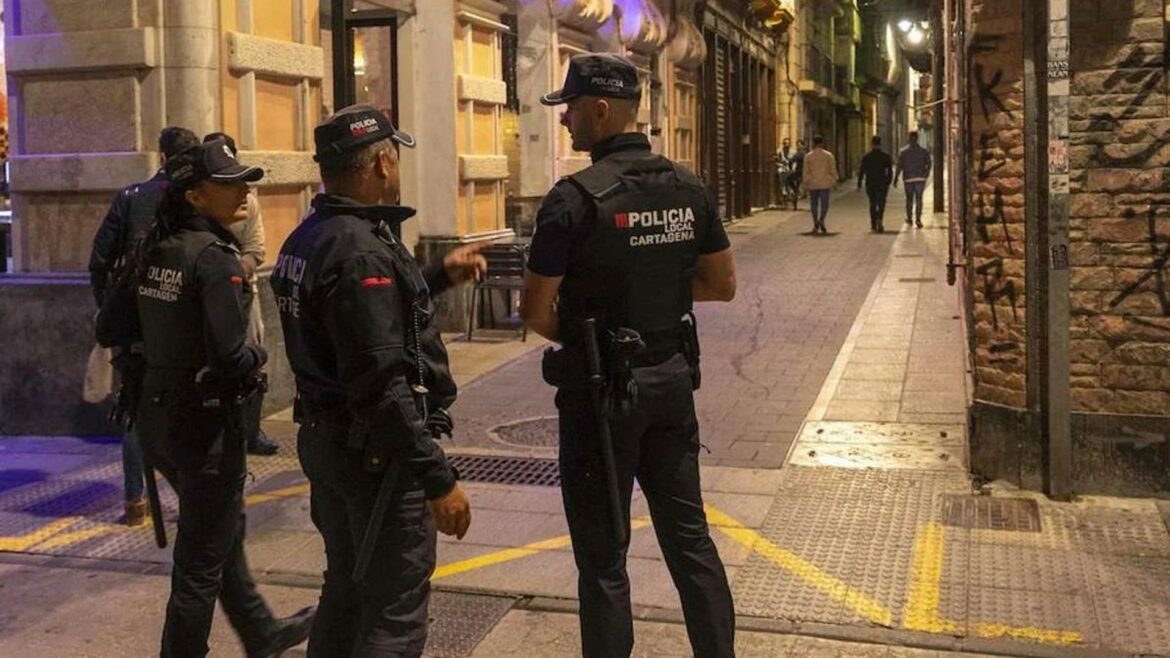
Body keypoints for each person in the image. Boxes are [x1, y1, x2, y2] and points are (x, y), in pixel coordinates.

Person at [521, 53, 738, 658]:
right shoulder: (688, 185)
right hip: (671, 382)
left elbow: (535, 313)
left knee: (603, 559)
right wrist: (657, 295)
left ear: (599, 110)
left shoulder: (573, 200)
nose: (564, 121)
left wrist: (599, 324)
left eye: (569, 108)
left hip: (601, 395)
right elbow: (721, 284)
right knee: (690, 539)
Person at [271, 105, 484, 657]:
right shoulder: (361, 247)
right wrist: (437, 479)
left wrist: (436, 277)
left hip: (330, 443)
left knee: (345, 589)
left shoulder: (309, 237)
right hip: (375, 461)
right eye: (397, 158)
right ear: (384, 162)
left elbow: (362, 327)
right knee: (393, 611)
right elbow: (380, 380)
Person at [132, 139, 315, 657]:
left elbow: (111, 325)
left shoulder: (154, 247)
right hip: (207, 428)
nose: (245, 191)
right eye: (231, 183)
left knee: (217, 532)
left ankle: (262, 633)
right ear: (195, 196)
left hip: (158, 418)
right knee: (198, 565)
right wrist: (257, 359)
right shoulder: (216, 259)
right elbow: (231, 351)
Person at [89, 126, 199, 526]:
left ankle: (135, 501)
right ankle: (191, 496)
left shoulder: (132, 198)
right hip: (179, 321)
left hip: (134, 322)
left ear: (161, 155)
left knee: (135, 408)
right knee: (186, 408)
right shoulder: (196, 198)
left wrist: (111, 310)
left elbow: (99, 260)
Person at [203, 132, 279, 456]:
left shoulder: (249, 204)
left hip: (244, 294)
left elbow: (256, 249)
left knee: (251, 362)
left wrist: (233, 274)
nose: (242, 192)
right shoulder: (193, 229)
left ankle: (250, 429)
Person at [894, 130, 932, 228]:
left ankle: (910, 218)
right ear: (917, 138)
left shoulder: (903, 152)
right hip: (920, 178)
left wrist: (896, 178)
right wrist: (926, 174)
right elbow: (929, 163)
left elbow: (899, 166)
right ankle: (918, 219)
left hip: (908, 178)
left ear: (909, 138)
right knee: (919, 199)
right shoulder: (924, 151)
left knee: (909, 199)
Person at [801, 134, 838, 234]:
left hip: (813, 183)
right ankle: (822, 220)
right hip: (825, 183)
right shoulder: (828, 155)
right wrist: (834, 181)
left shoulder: (808, 156)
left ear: (813, 143)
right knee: (825, 204)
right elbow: (833, 170)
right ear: (822, 143)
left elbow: (805, 172)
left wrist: (805, 183)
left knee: (814, 204)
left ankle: (815, 222)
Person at [857, 135, 894, 233]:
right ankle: (879, 219)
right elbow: (889, 171)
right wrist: (888, 181)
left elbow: (862, 170)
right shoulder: (885, 156)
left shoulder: (867, 157)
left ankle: (873, 224)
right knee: (881, 203)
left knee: (872, 203)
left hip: (870, 183)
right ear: (880, 144)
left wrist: (859, 183)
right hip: (882, 183)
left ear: (872, 144)